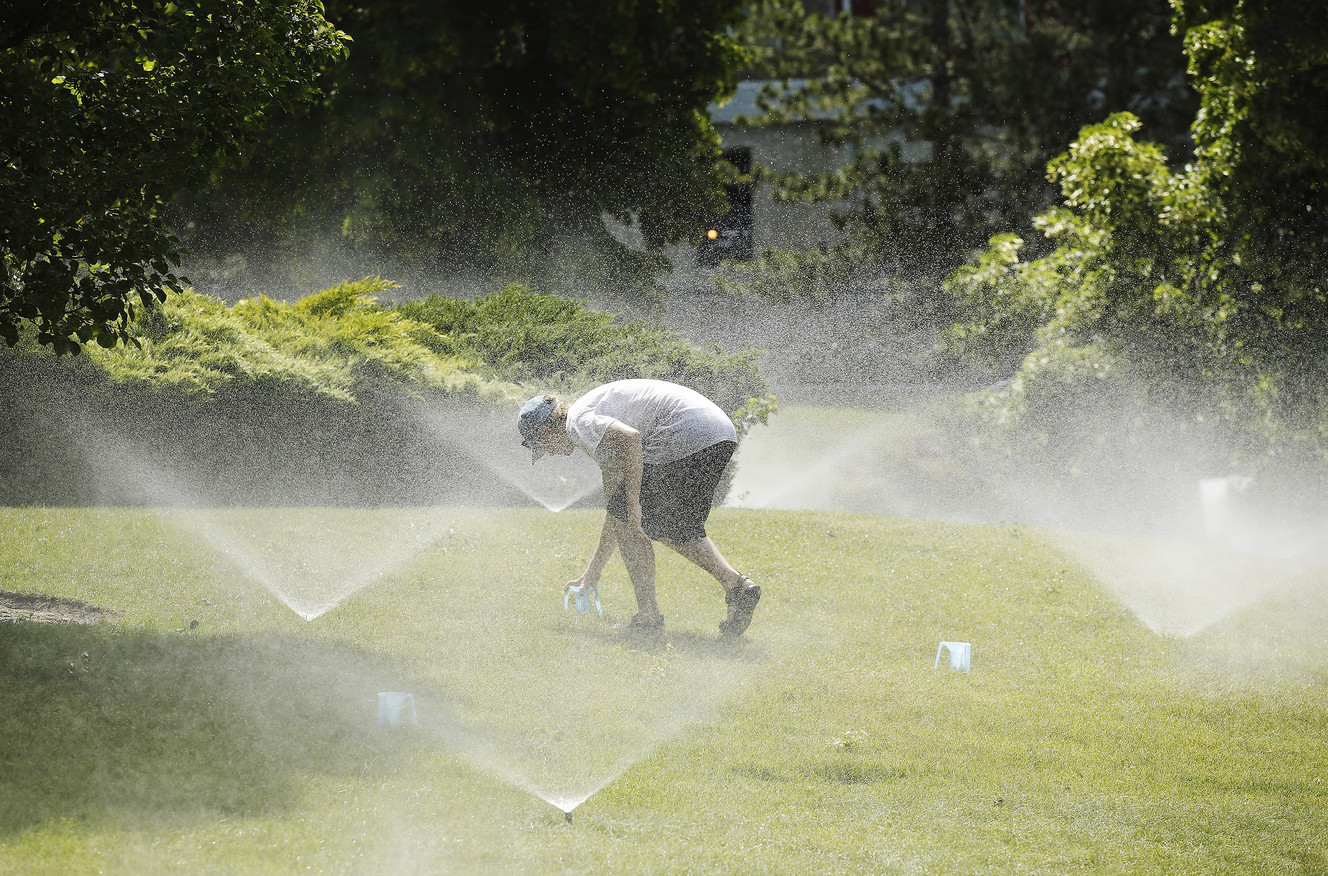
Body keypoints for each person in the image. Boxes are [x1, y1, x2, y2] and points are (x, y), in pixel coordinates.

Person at [517, 379, 761, 637]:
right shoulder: (594, 428)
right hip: (717, 432)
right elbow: (616, 512)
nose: (549, 453)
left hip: (684, 429)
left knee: (638, 521)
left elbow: (630, 438)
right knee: (676, 529)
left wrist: (634, 505)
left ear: (546, 430)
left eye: (541, 446)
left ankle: (649, 618)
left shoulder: (577, 422)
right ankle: (738, 587)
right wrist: (592, 574)